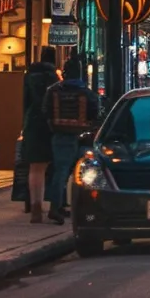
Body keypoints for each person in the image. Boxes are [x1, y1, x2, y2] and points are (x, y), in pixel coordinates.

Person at [44, 56, 101, 224]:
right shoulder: (87, 93)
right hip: (82, 137)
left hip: (60, 135)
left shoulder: (53, 91)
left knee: (60, 172)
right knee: (84, 174)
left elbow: (45, 111)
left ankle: (57, 206)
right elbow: (95, 113)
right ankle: (77, 207)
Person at [20, 49, 60, 223]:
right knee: (47, 167)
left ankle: (35, 206)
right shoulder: (54, 78)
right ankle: (47, 203)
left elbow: (25, 102)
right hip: (48, 124)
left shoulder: (29, 76)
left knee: (34, 168)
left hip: (32, 122)